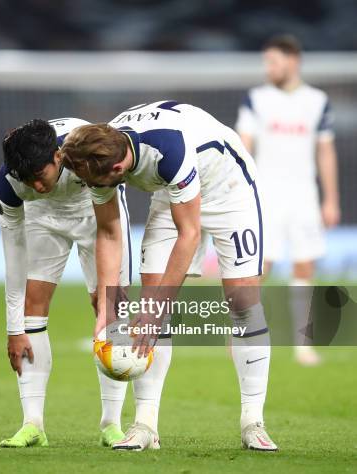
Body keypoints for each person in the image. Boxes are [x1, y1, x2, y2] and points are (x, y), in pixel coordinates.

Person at [61, 100, 277, 451]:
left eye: (92, 183)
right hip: (171, 192)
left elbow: (188, 234)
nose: (88, 187)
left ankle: (253, 421)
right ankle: (145, 425)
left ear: (119, 168)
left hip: (228, 188)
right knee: (149, 300)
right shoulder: (96, 158)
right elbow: (110, 233)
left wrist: (155, 310)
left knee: (243, 302)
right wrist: (106, 307)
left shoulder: (167, 148)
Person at [0, 118, 131, 448]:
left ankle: (112, 424)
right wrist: (14, 330)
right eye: (28, 180)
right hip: (41, 218)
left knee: (111, 306)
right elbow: (13, 262)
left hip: (95, 209)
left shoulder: (87, 155)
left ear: (58, 158)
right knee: (31, 311)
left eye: (40, 177)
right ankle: (32, 424)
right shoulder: (11, 184)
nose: (37, 186)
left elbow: (111, 223)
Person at [236, 34, 340, 366]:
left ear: (293, 61)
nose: (269, 68)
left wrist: (331, 199)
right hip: (267, 194)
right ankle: (242, 334)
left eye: (274, 61)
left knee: (305, 266)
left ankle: (303, 345)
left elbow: (325, 150)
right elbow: (244, 144)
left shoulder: (317, 100)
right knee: (258, 267)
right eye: (267, 62)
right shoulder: (256, 99)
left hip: (304, 196)